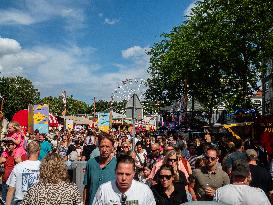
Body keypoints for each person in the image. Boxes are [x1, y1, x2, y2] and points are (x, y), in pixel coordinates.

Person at [83, 135, 117, 205]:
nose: (104, 150)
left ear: (112, 148)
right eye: (102, 146)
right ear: (98, 148)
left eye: (107, 147)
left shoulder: (117, 164)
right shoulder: (91, 163)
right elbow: (87, 187)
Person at [6, 141, 41, 205]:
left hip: (21, 201)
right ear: (38, 152)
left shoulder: (18, 166)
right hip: (38, 201)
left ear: (27, 152)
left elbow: (11, 189)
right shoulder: (43, 167)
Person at [0, 139, 27, 203]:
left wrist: (19, 160)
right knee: (4, 201)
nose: (7, 146)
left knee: (12, 202)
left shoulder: (21, 154)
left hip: (14, 184)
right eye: (6, 145)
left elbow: (26, 166)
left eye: (9, 145)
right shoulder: (5, 153)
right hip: (5, 182)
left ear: (14, 145)